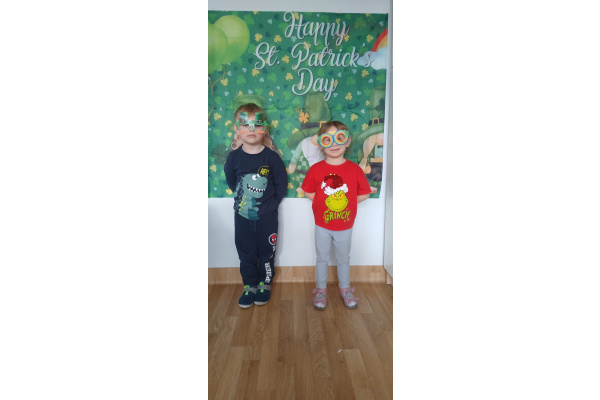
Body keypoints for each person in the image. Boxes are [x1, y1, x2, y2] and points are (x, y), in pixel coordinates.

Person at [301, 121, 373, 310]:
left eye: (339, 138)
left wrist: (347, 202)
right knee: (322, 258)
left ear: (347, 141)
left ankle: (345, 289)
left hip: (345, 226)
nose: (334, 144)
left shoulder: (354, 169)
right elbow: (307, 190)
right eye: (328, 139)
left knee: (343, 259)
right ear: (321, 144)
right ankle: (321, 290)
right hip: (322, 225)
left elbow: (364, 194)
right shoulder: (316, 169)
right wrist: (322, 201)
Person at [224, 103, 288, 308]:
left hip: (267, 216)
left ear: (265, 128)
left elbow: (281, 183)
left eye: (257, 124)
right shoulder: (233, 157)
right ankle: (249, 284)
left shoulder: (272, 157)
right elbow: (231, 181)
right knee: (246, 251)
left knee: (267, 251)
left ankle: (264, 283)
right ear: (237, 129)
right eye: (245, 124)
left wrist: (271, 204)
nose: (251, 129)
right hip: (242, 216)